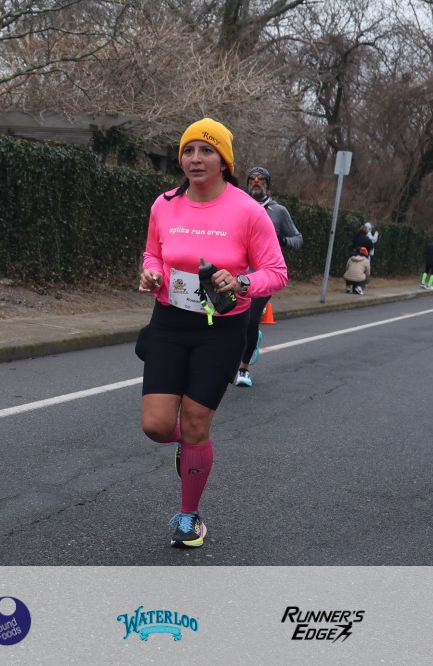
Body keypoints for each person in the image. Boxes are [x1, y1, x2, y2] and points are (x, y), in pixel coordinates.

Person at [135, 118, 287, 548]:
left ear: (224, 161)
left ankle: (190, 518)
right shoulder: (164, 204)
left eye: (207, 151)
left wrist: (241, 282)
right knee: (156, 426)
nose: (196, 159)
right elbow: (153, 252)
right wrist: (150, 272)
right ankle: (192, 447)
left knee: (197, 423)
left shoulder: (248, 211)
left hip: (221, 328)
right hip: (169, 322)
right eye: (188, 151)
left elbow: (276, 272)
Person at [233, 166, 302, 388]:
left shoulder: (278, 211)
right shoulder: (237, 206)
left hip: (264, 275)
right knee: (234, 320)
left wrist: (283, 241)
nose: (255, 181)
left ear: (268, 184)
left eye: (261, 178)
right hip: (237, 273)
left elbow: (298, 238)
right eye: (252, 178)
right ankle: (247, 344)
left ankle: (244, 369)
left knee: (251, 318)